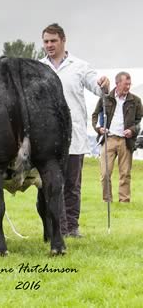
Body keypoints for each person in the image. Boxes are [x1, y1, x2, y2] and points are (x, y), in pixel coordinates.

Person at [39, 23, 109, 238]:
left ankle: (72, 227)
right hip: (46, 138)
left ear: (63, 40)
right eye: (46, 41)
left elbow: (98, 88)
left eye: (53, 41)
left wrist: (104, 84)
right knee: (51, 186)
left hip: (74, 135)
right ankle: (57, 228)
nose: (49, 45)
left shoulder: (79, 66)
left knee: (72, 185)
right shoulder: (39, 67)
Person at [92, 72, 143, 203]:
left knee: (125, 174)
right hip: (108, 139)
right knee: (105, 174)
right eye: (125, 84)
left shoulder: (136, 101)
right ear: (117, 83)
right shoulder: (105, 98)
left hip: (126, 141)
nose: (128, 87)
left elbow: (139, 122)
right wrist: (98, 129)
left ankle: (124, 201)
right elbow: (95, 115)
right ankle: (107, 201)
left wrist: (132, 131)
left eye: (129, 84)